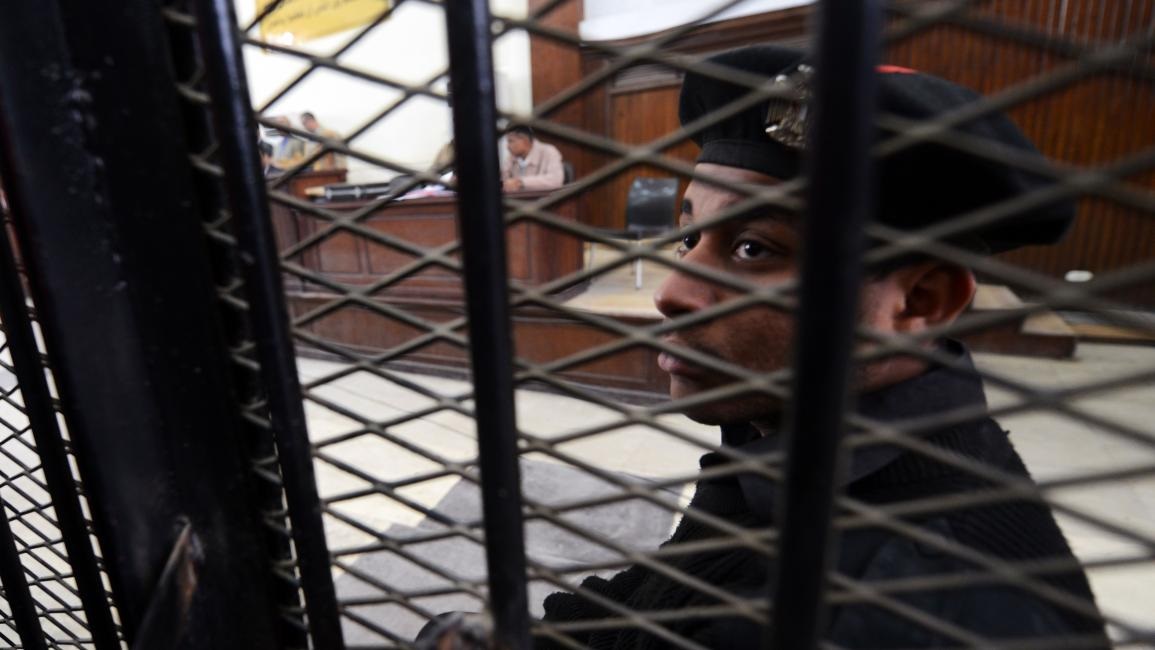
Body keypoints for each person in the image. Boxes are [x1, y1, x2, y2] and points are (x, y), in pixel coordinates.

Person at [533, 45, 1110, 649]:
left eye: (753, 248)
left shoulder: (896, 608)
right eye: (690, 237)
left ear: (920, 301)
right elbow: (663, 595)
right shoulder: (787, 424)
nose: (670, 294)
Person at [500, 126, 565, 192]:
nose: (507, 146)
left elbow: (556, 180)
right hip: (519, 198)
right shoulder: (512, 156)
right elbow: (503, 179)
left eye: (511, 141)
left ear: (525, 141)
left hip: (544, 198)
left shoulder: (549, 151)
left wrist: (521, 182)